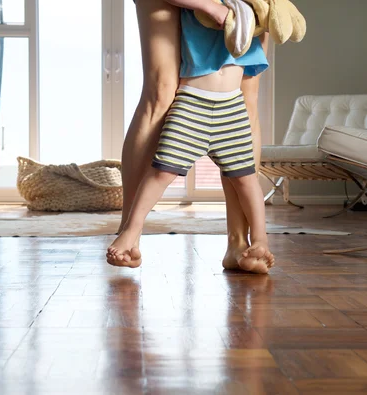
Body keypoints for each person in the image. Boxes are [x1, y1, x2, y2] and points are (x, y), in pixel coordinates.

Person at [107, 0, 274, 273]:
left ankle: (240, 243)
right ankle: (129, 232)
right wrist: (210, 6)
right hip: (194, 96)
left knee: (247, 99)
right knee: (161, 91)